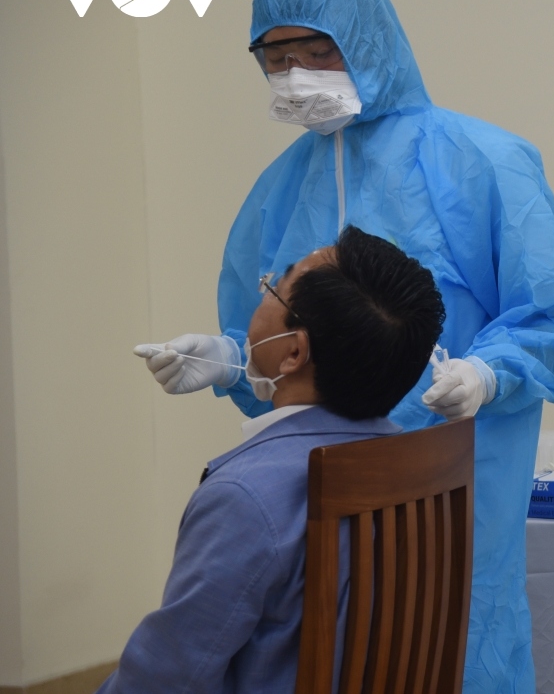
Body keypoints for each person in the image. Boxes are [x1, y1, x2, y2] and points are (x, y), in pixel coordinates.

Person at [133, 0, 554, 693]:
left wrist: (488, 372)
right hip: (316, 503)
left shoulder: (484, 163)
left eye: (317, 49)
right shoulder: (278, 190)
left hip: (456, 489)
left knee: (454, 646)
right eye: (275, 57)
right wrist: (228, 360)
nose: (296, 74)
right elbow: (281, 353)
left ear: (366, 34)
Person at [111, 226, 445, 693]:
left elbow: (164, 679)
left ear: (293, 353)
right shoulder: (421, 468)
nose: (261, 292)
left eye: (274, 286)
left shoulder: (245, 498)